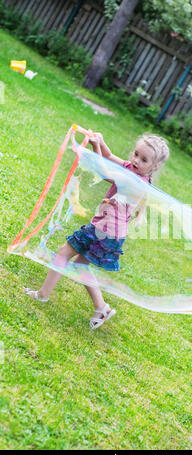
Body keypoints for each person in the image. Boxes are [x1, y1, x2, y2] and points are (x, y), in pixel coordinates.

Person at [24, 131, 169, 329]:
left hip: (106, 231)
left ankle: (42, 295)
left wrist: (94, 148)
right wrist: (99, 142)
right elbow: (109, 157)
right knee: (80, 265)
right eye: (136, 154)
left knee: (64, 253)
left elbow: (105, 173)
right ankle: (101, 308)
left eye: (143, 159)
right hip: (107, 228)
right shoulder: (130, 169)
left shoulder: (136, 181)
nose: (135, 160)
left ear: (155, 166)